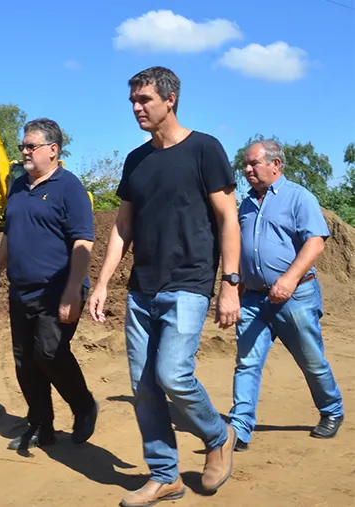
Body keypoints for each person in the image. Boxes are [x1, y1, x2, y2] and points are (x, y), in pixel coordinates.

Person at [88, 66, 241, 506]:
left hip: (189, 282)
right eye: (133, 101)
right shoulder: (137, 159)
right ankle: (165, 475)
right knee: (144, 386)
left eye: (145, 101)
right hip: (142, 287)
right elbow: (123, 225)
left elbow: (228, 217)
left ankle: (217, 435)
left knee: (173, 374)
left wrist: (229, 283)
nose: (137, 108)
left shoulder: (204, 149)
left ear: (170, 100)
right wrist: (102, 284)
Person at [0, 118, 99, 451]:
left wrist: (72, 291)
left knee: (49, 353)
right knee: (24, 361)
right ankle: (41, 425)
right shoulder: (18, 186)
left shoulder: (70, 187)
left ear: (53, 150)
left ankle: (83, 406)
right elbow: (10, 233)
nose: (24, 151)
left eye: (31, 146)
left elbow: (83, 242)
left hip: (57, 289)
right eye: (23, 145)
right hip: (20, 290)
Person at [229, 140, 345, 451]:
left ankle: (332, 410)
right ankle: (240, 427)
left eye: (254, 163)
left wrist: (289, 280)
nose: (247, 170)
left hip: (295, 297)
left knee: (311, 361)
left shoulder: (299, 198)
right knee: (247, 362)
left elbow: (315, 243)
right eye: (246, 164)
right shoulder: (246, 204)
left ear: (276, 165)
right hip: (253, 299)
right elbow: (241, 252)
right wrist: (235, 291)